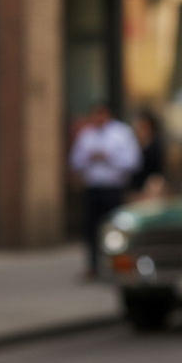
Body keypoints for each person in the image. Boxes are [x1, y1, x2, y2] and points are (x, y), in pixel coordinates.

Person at [69, 102, 141, 277]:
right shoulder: (87, 134)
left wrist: (109, 157)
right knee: (91, 229)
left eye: (101, 114)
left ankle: (117, 266)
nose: (98, 118)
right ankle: (93, 266)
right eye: (95, 115)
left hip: (113, 188)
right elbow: (74, 161)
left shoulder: (121, 133)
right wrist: (89, 157)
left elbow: (133, 161)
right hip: (93, 188)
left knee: (114, 230)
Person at [130, 109, 165, 196]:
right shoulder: (133, 143)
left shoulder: (155, 145)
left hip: (151, 184)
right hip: (135, 184)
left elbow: (158, 168)